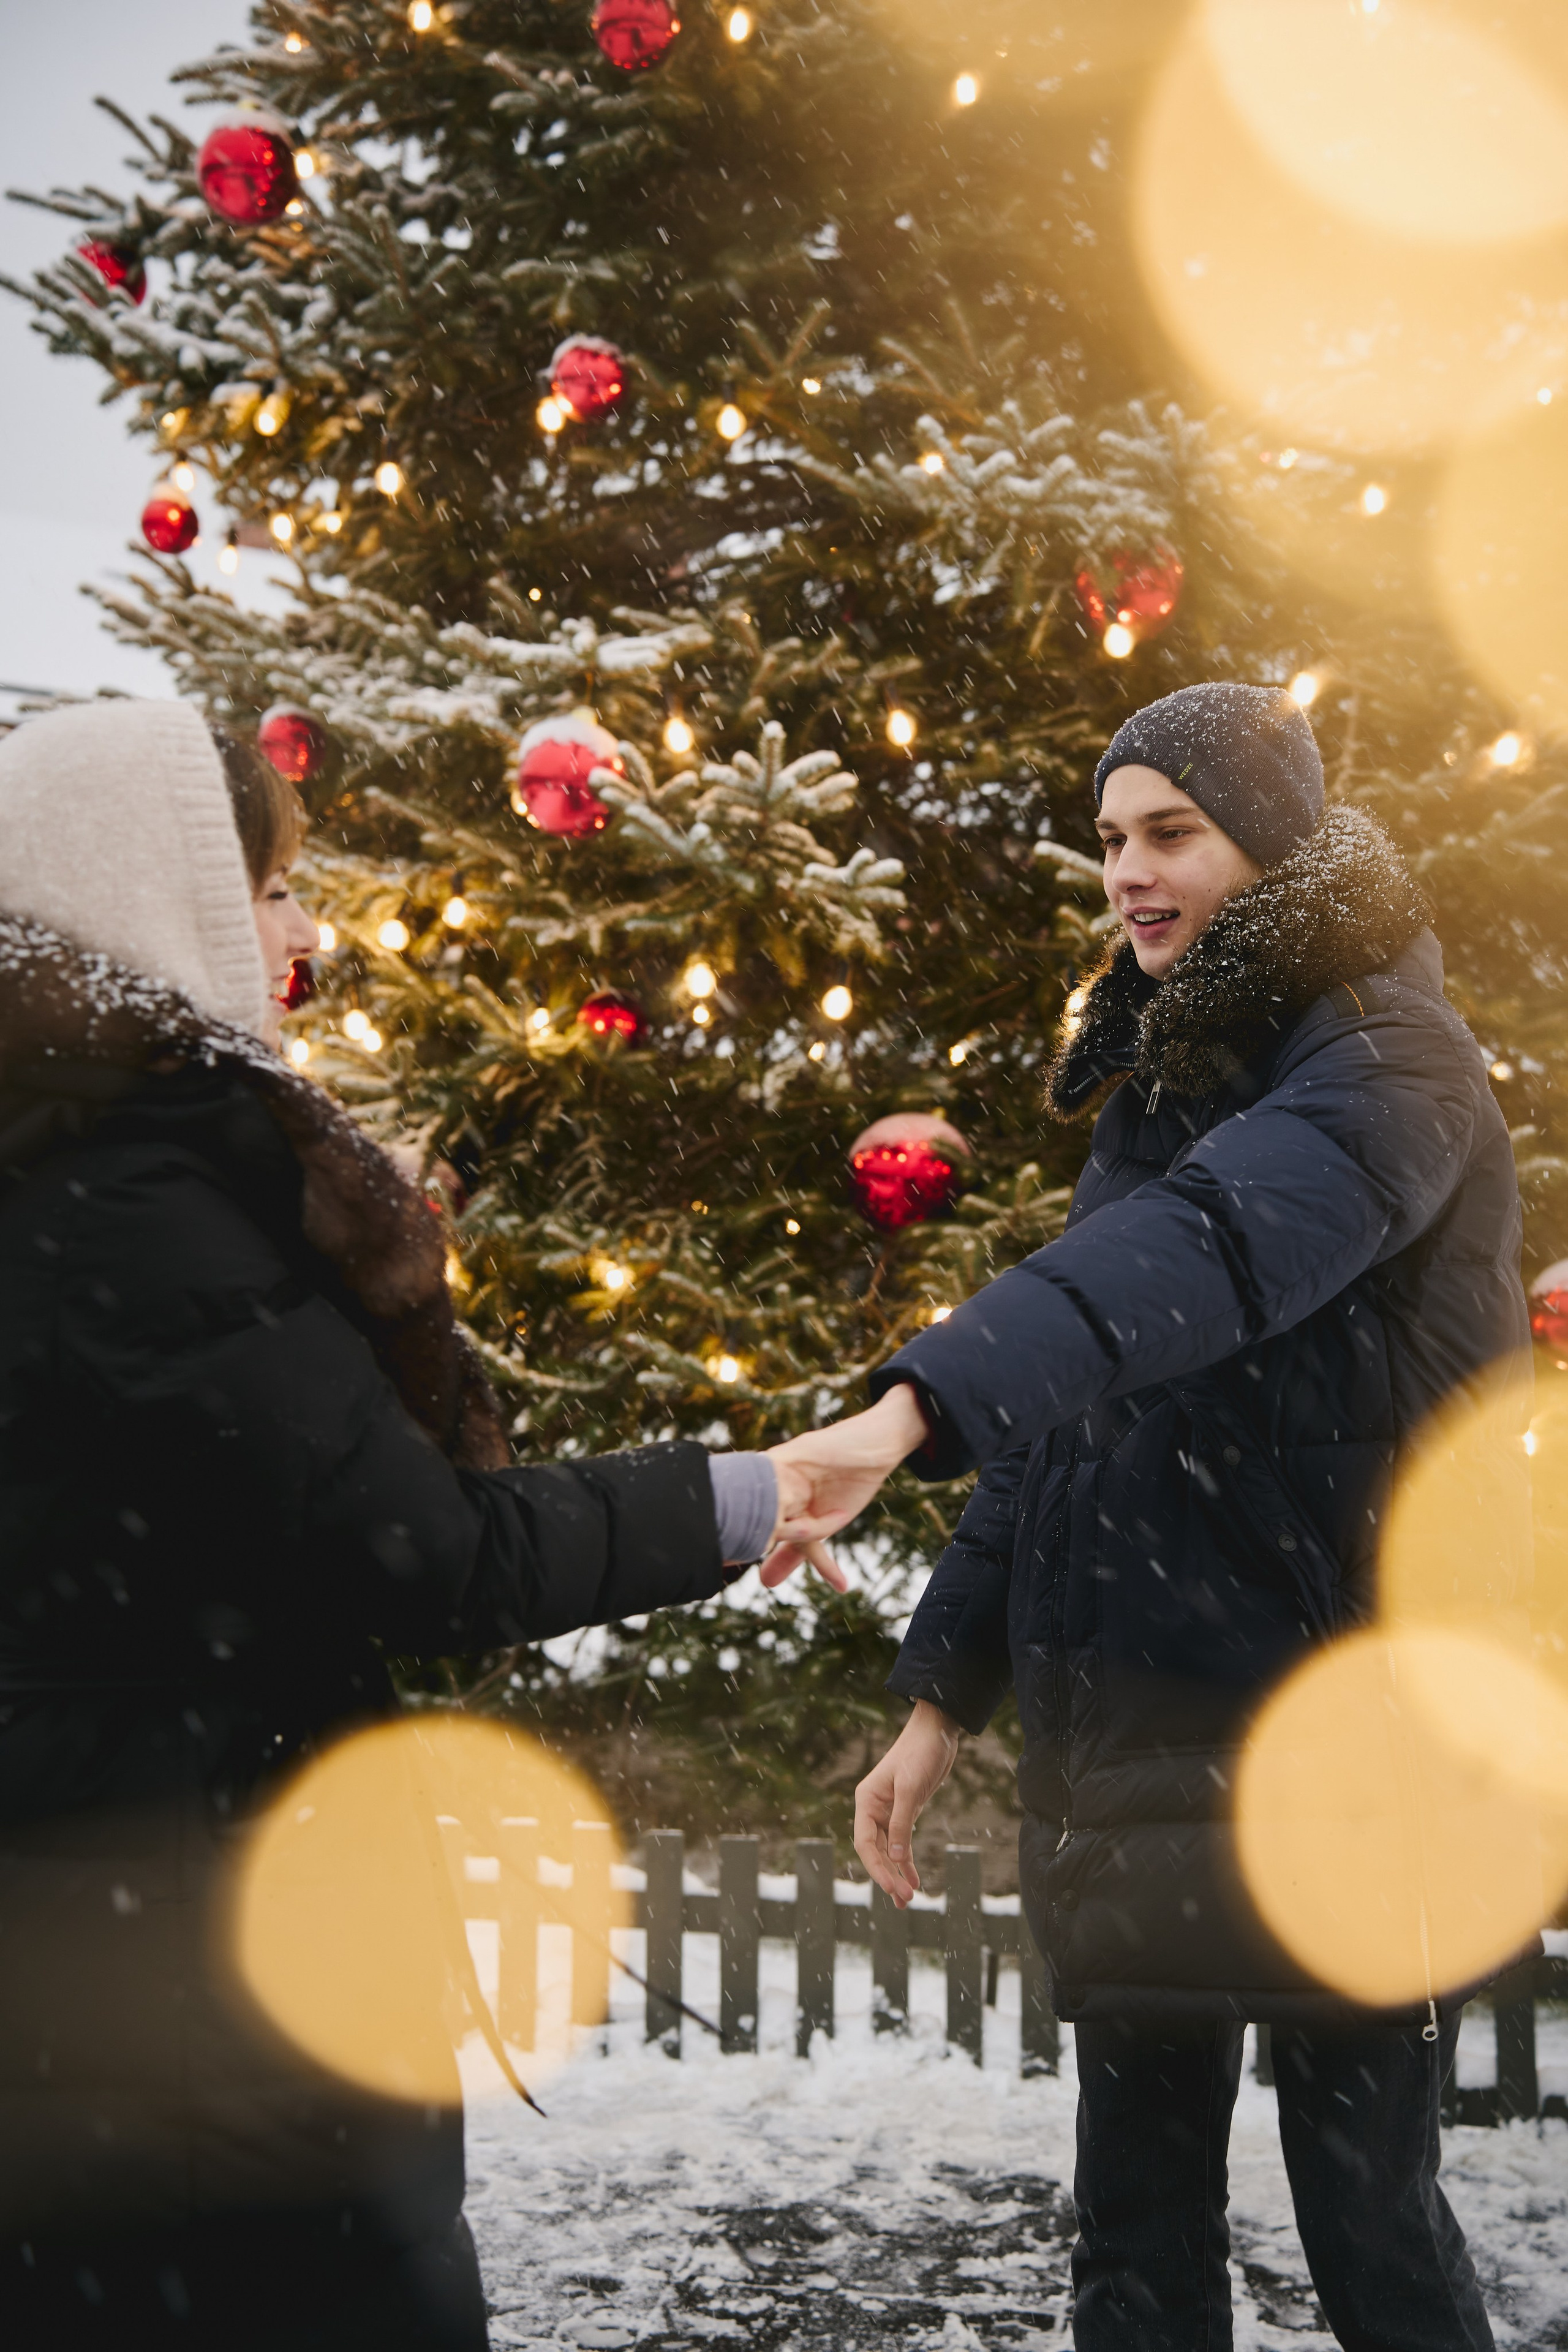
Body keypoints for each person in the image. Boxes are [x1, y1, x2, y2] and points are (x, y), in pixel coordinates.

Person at [0, 700, 818, 2351]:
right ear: (151, 897)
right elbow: (424, 1551)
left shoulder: (74, 1166)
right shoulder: (128, 1198)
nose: (303, 930)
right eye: (266, 887)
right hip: (207, 1982)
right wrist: (753, 1491)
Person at [766, 682, 1525, 2352]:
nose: (1129, 870)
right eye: (1112, 838)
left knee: (1375, 2236)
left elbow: (1201, 1258)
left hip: (1350, 1749)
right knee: (1132, 2253)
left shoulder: (1391, 1065)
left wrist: (912, 1405)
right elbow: (1086, 1401)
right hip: (1142, 1742)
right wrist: (939, 1694)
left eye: (1172, 831)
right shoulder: (1162, 1081)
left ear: (1272, 841)